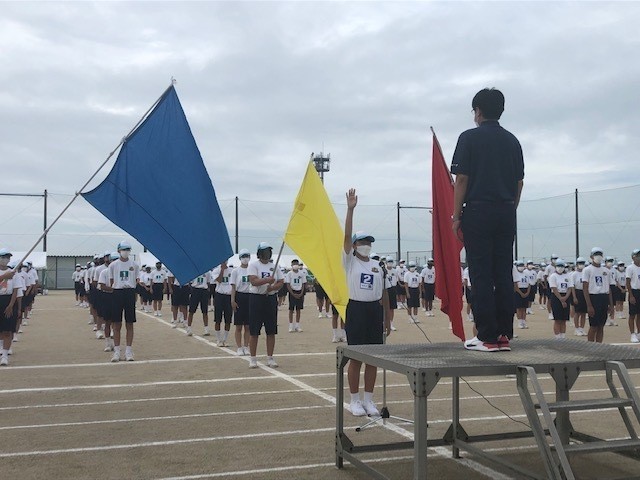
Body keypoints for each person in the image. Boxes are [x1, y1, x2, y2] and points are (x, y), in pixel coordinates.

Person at [451, 88, 524, 352]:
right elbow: (519, 182)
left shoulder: (468, 138)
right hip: (506, 210)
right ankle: (504, 334)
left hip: (479, 210)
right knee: (503, 272)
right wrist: (509, 208)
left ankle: (487, 336)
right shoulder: (513, 141)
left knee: (480, 273)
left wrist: (456, 215)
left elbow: (461, 179)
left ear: (478, 111)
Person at [343, 189, 391, 417]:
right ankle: (354, 400)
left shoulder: (376, 264)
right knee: (356, 356)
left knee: (373, 357)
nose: (366, 245)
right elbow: (345, 237)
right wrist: (350, 210)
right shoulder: (350, 261)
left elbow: (383, 293)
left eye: (368, 242)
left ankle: (369, 400)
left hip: (374, 310)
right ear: (354, 245)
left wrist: (387, 319)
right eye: (362, 242)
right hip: (356, 309)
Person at [247, 242, 284, 368]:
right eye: (265, 251)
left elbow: (281, 281)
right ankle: (253, 358)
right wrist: (267, 281)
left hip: (270, 299)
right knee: (254, 331)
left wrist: (273, 287)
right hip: (256, 298)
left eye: (269, 251)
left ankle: (270, 357)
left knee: (271, 330)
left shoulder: (274, 266)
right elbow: (253, 281)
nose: (267, 254)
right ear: (259, 253)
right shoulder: (253, 265)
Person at [108, 241, 140, 361]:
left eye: (128, 249)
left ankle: (129, 351)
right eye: (123, 249)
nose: (125, 251)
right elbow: (111, 282)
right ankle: (117, 351)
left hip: (129, 293)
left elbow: (137, 280)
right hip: (117, 292)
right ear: (119, 250)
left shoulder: (135, 265)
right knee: (117, 323)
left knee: (130, 323)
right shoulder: (113, 265)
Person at [583, 247, 614, 343]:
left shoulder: (606, 271)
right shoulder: (587, 270)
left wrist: (611, 305)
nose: (598, 257)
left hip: (604, 297)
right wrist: (589, 305)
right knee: (593, 326)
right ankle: (591, 346)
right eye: (596, 254)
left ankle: (599, 346)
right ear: (591, 256)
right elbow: (585, 288)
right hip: (593, 297)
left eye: (600, 254)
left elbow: (608, 288)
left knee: (601, 326)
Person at [230, 249, 252, 355]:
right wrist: (232, 300)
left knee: (248, 325)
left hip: (250, 296)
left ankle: (246, 346)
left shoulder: (252, 270)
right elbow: (233, 287)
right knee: (238, 325)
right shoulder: (235, 271)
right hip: (239, 296)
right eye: (243, 256)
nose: (245, 258)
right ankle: (239, 347)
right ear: (240, 258)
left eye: (247, 256)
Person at [548, 259, 574, 340]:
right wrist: (561, 299)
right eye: (558, 266)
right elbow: (554, 288)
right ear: (555, 267)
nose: (560, 268)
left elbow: (570, 287)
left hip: (566, 296)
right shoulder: (553, 276)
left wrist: (565, 297)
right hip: (556, 297)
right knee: (557, 319)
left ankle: (563, 336)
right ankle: (557, 337)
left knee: (564, 319)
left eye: (562, 266)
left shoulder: (567, 276)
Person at [0, 248, 18, 366]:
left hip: (8, 299)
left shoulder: (13, 272)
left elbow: (16, 290)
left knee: (7, 330)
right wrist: (3, 276)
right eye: (3, 257)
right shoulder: (7, 274)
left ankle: (5, 355)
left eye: (8, 257)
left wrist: (11, 305)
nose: (6, 259)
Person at [98, 252, 119, 353]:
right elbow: (102, 286)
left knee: (116, 322)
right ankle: (107, 343)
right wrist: (114, 289)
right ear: (110, 261)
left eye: (116, 260)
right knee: (107, 322)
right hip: (107, 297)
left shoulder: (120, 272)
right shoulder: (104, 272)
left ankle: (116, 344)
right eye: (113, 260)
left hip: (118, 297)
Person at [213, 261, 233, 346]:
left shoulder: (232, 271)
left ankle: (225, 339)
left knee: (228, 319)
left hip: (228, 296)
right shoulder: (216, 270)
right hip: (219, 295)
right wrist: (222, 270)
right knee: (218, 319)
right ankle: (218, 339)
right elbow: (219, 280)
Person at [187, 270, 211, 336]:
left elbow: (208, 283)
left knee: (205, 311)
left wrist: (207, 290)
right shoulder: (193, 272)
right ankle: (189, 328)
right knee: (191, 311)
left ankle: (206, 329)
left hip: (204, 291)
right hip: (195, 290)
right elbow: (190, 282)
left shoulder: (207, 272)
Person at [285, 259, 306, 332]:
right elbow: (288, 284)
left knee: (298, 309)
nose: (295, 265)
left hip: (299, 291)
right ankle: (291, 325)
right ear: (291, 265)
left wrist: (301, 293)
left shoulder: (301, 273)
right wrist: (292, 293)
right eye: (294, 264)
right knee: (291, 309)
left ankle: (297, 325)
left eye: (296, 263)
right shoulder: (289, 274)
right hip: (292, 292)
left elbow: (303, 284)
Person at [626, 249, 640, 343]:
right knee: (632, 314)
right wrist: (631, 295)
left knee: (639, 315)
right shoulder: (630, 268)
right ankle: (632, 334)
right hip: (634, 291)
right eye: (637, 255)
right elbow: (628, 282)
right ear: (633, 257)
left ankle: (639, 333)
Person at [571, 257, 588, 336]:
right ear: (577, 264)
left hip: (585, 292)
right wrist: (574, 297)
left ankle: (582, 328)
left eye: (582, 263)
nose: (581, 265)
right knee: (577, 313)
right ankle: (576, 328)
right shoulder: (574, 274)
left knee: (584, 313)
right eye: (580, 263)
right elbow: (572, 286)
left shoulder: (586, 273)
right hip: (577, 292)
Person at [513, 261, 530, 330]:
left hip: (525, 290)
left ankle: (524, 322)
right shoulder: (516, 274)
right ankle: (520, 322)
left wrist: (527, 292)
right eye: (520, 265)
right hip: (518, 291)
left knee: (524, 308)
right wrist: (521, 293)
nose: (521, 267)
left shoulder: (526, 274)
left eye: (522, 265)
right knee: (519, 308)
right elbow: (515, 285)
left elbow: (529, 284)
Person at [384, 257, 398, 331]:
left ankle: (391, 323)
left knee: (392, 308)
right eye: (388, 262)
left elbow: (396, 279)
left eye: (391, 262)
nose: (390, 263)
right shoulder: (383, 270)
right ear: (386, 262)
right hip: (386, 289)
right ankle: (385, 323)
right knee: (385, 307)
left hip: (393, 288)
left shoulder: (395, 271)